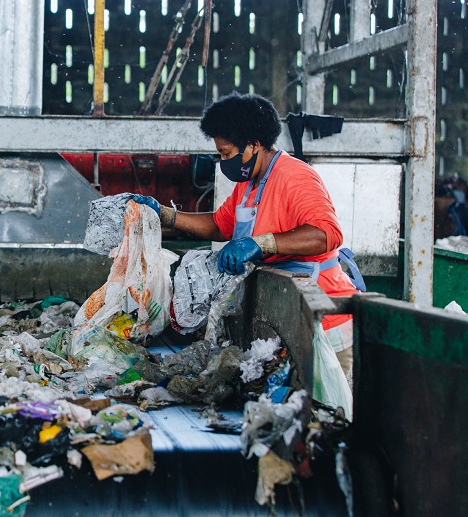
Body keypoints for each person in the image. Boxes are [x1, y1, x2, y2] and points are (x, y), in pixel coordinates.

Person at [133, 92, 363, 383]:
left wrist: (261, 243)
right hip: (286, 322)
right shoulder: (249, 185)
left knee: (324, 415)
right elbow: (219, 225)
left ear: (254, 145)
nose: (223, 161)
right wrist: (166, 215)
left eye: (227, 153)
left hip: (325, 325)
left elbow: (327, 234)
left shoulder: (295, 176)